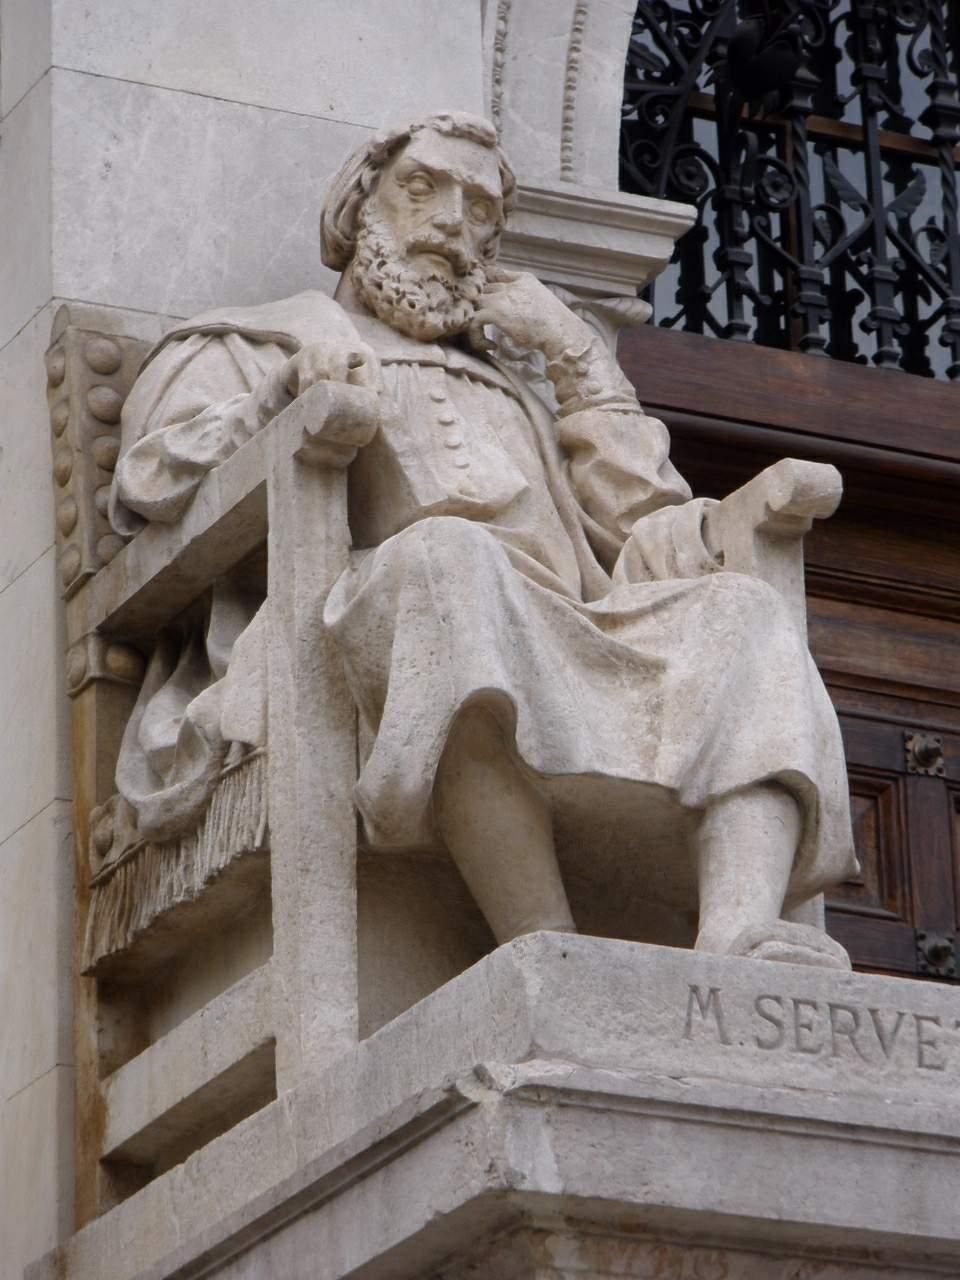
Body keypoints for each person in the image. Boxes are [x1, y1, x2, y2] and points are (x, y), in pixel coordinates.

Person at [109, 111, 857, 963]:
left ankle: (738, 929)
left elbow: (642, 519)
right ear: (358, 206)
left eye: (480, 209)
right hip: (376, 609)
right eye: (422, 188)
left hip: (565, 617)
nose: (452, 224)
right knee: (448, 566)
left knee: (741, 610)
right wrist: (280, 402)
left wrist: (575, 357)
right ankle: (541, 941)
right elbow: (154, 479)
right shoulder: (260, 343)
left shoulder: (521, 382)